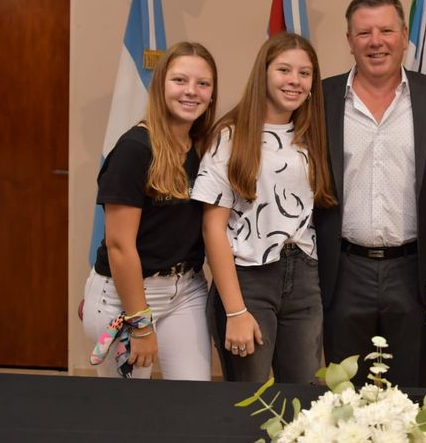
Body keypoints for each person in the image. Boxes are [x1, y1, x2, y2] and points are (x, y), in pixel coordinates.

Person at [313, 0, 426, 387]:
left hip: (412, 271)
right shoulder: (321, 97)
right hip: (344, 272)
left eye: (386, 31)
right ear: (349, 40)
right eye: (364, 33)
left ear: (405, 36)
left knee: (409, 395)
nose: (376, 42)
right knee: (344, 395)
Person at [192, 32, 336, 383]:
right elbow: (213, 228)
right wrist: (235, 310)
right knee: (250, 398)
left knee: (304, 398)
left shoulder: (313, 134)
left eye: (305, 73)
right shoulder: (230, 134)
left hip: (304, 277)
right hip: (248, 278)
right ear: (264, 73)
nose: (295, 80)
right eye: (284, 70)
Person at [83, 41, 218, 380]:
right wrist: (140, 324)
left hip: (186, 289)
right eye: (180, 80)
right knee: (128, 407)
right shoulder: (134, 149)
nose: (191, 91)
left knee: (192, 398)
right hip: (125, 296)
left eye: (202, 83)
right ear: (160, 85)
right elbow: (119, 246)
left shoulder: (205, 147)